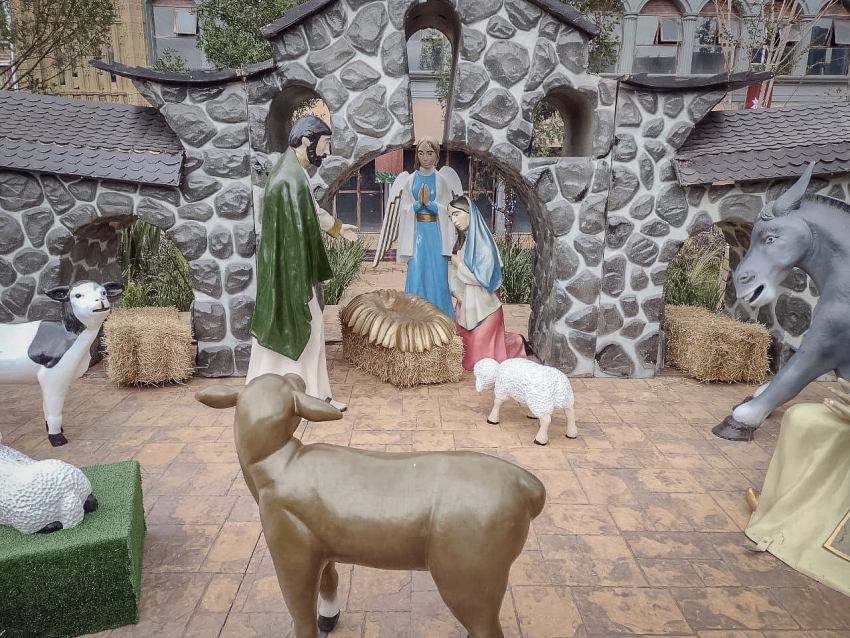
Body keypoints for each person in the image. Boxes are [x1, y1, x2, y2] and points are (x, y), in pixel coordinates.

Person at [247, 115, 357, 410]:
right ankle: (307, 396)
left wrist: (336, 227)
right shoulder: (290, 177)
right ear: (307, 140)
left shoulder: (293, 172)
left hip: (287, 271)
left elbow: (308, 212)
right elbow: (298, 231)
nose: (327, 151)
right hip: (291, 273)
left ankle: (278, 393)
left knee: (294, 327)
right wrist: (314, 268)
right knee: (308, 325)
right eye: (325, 143)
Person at [448, 194, 528, 371]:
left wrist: (460, 265)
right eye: (450, 216)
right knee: (464, 353)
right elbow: (454, 273)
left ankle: (515, 344)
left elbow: (483, 279)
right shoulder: (463, 243)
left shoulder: (484, 245)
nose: (453, 220)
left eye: (456, 214)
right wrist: (455, 291)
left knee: (480, 362)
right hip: (466, 304)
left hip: (485, 306)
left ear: (469, 213)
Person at [392, 137, 459, 318]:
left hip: (436, 234)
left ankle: (440, 318)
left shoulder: (442, 180)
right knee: (416, 273)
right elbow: (404, 209)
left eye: (430, 153)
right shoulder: (410, 180)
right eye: (421, 153)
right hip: (417, 235)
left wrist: (430, 204)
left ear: (437, 155)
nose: (425, 158)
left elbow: (449, 210)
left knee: (437, 276)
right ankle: (414, 317)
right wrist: (416, 205)